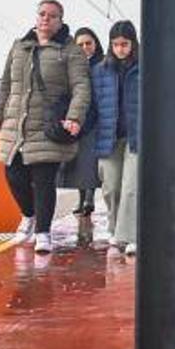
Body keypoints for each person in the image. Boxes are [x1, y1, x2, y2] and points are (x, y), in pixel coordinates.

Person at [0, 0, 91, 255]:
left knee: (43, 179)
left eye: (53, 16)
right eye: (42, 14)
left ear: (61, 20)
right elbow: (6, 83)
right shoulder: (19, 46)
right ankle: (29, 214)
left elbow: (81, 87)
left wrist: (75, 117)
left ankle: (43, 233)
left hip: (48, 123)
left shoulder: (70, 51)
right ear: (36, 17)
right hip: (17, 124)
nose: (46, 19)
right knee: (13, 175)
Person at [91, 20, 139, 257]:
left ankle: (129, 236)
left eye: (125, 44)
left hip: (136, 137)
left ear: (133, 43)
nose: (121, 48)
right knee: (111, 187)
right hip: (108, 137)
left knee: (131, 187)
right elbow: (93, 105)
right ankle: (114, 230)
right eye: (116, 44)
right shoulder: (100, 71)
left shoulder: (143, 69)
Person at [59, 27, 102, 247]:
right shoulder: (71, 66)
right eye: (81, 44)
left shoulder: (101, 66)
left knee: (89, 164)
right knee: (77, 165)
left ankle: (89, 199)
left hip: (94, 122)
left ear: (95, 44)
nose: (85, 47)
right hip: (76, 121)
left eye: (89, 43)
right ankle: (81, 198)